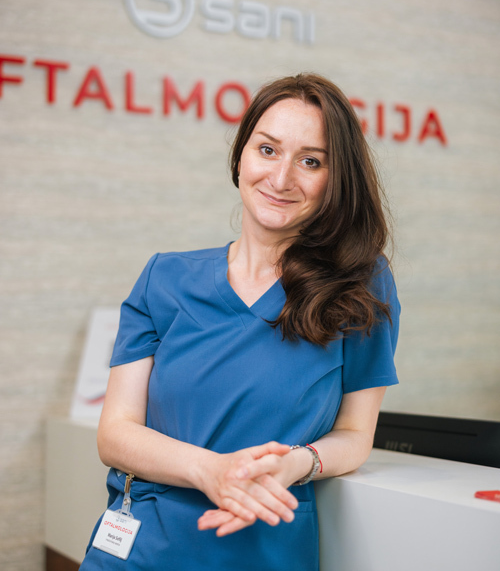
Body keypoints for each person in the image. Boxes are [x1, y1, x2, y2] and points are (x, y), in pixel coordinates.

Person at [79, 73, 400, 571]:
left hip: (261, 550)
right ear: (240, 156)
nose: (281, 178)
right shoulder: (164, 277)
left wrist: (297, 463)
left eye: (311, 161)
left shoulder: (360, 285)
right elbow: (115, 434)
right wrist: (211, 471)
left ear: (336, 179)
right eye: (267, 150)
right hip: (137, 551)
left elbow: (356, 433)